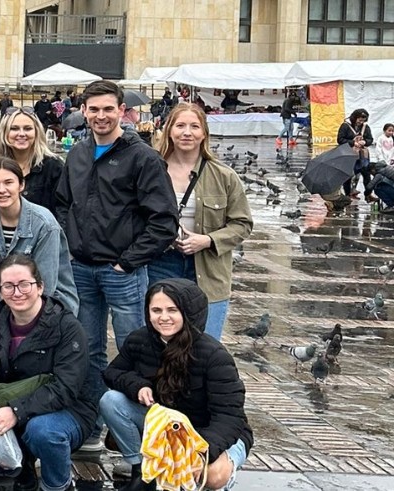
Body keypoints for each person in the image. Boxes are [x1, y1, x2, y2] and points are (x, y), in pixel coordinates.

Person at [54, 80, 178, 451]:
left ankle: (140, 435)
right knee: (87, 350)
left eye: (108, 109)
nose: (101, 116)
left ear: (122, 110)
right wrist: (70, 241)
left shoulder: (142, 157)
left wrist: (129, 261)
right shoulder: (77, 153)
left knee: (136, 350)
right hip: (82, 269)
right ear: (84, 111)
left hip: (122, 271)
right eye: (94, 109)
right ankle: (92, 424)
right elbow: (63, 203)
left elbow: (164, 219)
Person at [0, 255, 96, 491]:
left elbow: (66, 387)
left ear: (40, 287)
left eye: (24, 284)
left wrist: (17, 412)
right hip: (10, 410)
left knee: (43, 433)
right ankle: (22, 473)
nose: (17, 292)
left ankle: (58, 484)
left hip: (67, 411)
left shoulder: (67, 327)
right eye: (8, 286)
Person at [100, 279, 253, 491]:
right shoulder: (140, 339)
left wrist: (199, 451)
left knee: (212, 475)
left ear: (188, 312)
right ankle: (142, 471)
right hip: (167, 425)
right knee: (111, 400)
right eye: (156, 310)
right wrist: (138, 386)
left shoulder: (215, 355)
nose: (163, 317)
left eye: (172, 310)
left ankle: (219, 474)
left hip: (210, 432)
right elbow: (113, 372)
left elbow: (229, 417)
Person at [147, 103, 252, 341]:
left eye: (194, 126)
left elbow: (242, 223)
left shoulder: (223, 175)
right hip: (159, 263)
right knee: (160, 342)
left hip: (208, 269)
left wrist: (207, 240)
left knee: (204, 345)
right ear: (169, 130)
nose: (187, 132)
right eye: (180, 125)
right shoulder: (149, 169)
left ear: (203, 133)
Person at [0, 158, 78, 321]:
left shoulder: (44, 223)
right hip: (2, 299)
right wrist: (1, 321)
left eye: (9, 182)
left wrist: (17, 323)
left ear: (21, 185)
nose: (2, 190)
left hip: (45, 303)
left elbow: (45, 284)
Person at [0, 108, 65, 212]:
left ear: (37, 132)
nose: (21, 133)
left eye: (27, 128)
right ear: (4, 132)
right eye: (14, 128)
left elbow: (62, 209)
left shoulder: (54, 166)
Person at [338, 108, 375, 201]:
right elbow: (340, 139)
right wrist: (352, 143)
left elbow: (370, 139)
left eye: (363, 120)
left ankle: (368, 194)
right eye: (359, 120)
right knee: (348, 175)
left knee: (366, 174)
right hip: (348, 154)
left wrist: (364, 142)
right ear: (354, 118)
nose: (360, 122)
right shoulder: (345, 126)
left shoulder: (365, 127)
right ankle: (348, 194)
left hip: (362, 156)